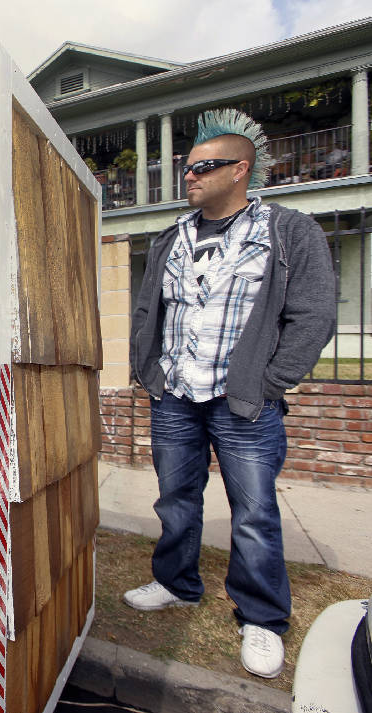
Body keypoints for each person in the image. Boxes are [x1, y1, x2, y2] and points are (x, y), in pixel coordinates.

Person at [127, 109, 336, 679]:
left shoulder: (286, 231)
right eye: (187, 169)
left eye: (203, 167)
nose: (189, 177)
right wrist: (148, 372)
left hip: (242, 399)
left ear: (239, 170)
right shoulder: (172, 237)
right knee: (175, 500)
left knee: (254, 512)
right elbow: (150, 309)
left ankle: (263, 617)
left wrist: (271, 381)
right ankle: (176, 583)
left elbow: (313, 314)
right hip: (175, 396)